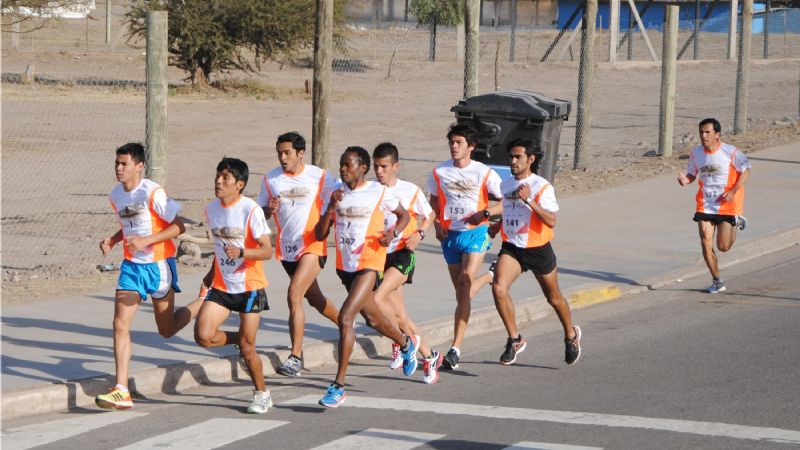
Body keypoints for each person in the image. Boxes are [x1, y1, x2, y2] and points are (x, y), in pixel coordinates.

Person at [95, 143, 203, 410]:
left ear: (139, 166)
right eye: (117, 163)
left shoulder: (152, 192)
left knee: (166, 330)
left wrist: (147, 241)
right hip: (132, 267)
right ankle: (122, 389)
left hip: (158, 267)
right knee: (120, 324)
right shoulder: (115, 195)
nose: (119, 168)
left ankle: (205, 299)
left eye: (124, 164)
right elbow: (129, 224)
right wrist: (114, 238)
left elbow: (179, 226)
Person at [314, 146, 420, 408]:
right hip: (345, 266)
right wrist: (330, 207)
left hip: (370, 263)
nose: (343, 170)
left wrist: (393, 233)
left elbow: (404, 215)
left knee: (346, 317)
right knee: (373, 319)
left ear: (363, 168)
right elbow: (319, 235)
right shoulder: (335, 192)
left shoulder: (378, 192)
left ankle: (338, 386)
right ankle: (406, 343)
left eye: (348, 165)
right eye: (341, 165)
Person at [488, 139, 581, 366]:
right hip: (512, 248)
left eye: (518, 157)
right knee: (499, 288)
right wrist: (497, 225)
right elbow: (509, 210)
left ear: (531, 159)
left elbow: (551, 220)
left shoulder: (541, 186)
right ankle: (515, 339)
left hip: (538, 248)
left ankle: (570, 335)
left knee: (553, 298)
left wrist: (529, 199)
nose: (513, 161)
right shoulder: (505, 185)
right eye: (511, 157)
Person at [194, 157, 274, 414]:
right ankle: (240, 340)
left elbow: (266, 251)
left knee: (249, 349)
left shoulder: (251, 210)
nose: (219, 181)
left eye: (225, 178)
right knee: (204, 336)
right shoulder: (211, 210)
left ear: (239, 184)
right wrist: (209, 275)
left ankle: (262, 394)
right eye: (218, 176)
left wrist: (241, 252)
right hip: (222, 285)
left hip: (249, 286)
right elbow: (219, 250)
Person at [257, 132, 339, 377]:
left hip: (313, 245)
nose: (283, 158)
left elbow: (340, 197)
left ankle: (295, 356)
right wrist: (267, 210)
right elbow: (259, 215)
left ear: (300, 153)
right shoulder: (271, 179)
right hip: (288, 249)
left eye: (287, 153)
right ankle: (346, 325)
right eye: (279, 153)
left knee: (294, 294)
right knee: (314, 299)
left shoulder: (320, 176)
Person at [427, 123, 500, 370]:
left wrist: (488, 215)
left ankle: (455, 349)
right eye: (451, 142)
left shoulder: (483, 172)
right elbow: (434, 201)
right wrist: (436, 224)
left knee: (464, 283)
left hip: (475, 233)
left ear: (471, 146)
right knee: (462, 294)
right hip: (450, 236)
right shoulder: (439, 172)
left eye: (459, 143)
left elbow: (505, 200)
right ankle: (490, 276)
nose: (454, 147)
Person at [372, 143, 443, 384]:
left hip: (402, 255)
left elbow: (430, 214)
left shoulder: (409, 190)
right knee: (401, 317)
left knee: (377, 299)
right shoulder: (371, 190)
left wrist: (421, 233)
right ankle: (429, 355)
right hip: (379, 257)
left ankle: (403, 344)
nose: (379, 171)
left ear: (396, 166)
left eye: (383, 166)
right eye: (375, 166)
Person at [678, 118, 751, 294]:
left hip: (727, 203)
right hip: (705, 203)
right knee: (705, 241)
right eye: (701, 132)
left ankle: (737, 221)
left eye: (708, 132)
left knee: (723, 247)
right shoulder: (696, 153)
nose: (704, 135)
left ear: (717, 134)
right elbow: (692, 174)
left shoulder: (731, 152)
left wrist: (733, 191)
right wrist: (684, 180)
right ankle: (717, 280)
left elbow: (746, 169)